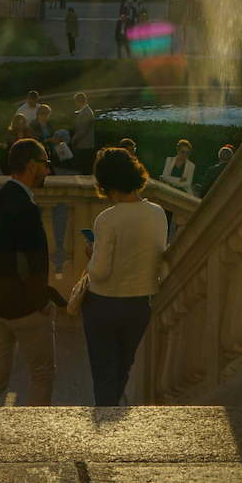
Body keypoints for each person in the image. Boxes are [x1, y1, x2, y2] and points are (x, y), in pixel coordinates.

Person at [0, 137, 65, 407]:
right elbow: (31, 265)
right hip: (26, 310)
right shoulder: (28, 209)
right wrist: (42, 303)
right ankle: (31, 442)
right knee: (43, 376)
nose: (48, 170)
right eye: (45, 164)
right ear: (31, 165)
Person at [81, 147, 169, 406]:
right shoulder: (158, 213)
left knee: (103, 373)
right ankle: (113, 419)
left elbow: (99, 271)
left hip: (103, 304)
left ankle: (105, 424)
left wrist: (91, 252)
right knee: (122, 368)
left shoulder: (107, 219)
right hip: (139, 304)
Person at [69, 92, 96, 173]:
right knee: (84, 168)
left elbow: (81, 131)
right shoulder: (86, 111)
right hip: (85, 145)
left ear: (77, 101)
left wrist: (73, 140)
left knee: (84, 168)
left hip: (84, 146)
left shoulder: (86, 113)